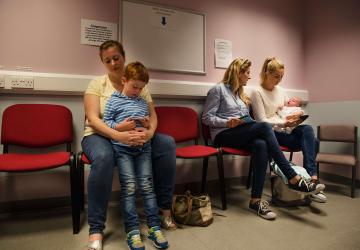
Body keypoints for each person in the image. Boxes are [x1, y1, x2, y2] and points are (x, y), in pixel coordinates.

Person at [202, 58, 324, 220]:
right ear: (237, 72)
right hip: (223, 135)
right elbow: (206, 118)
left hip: (240, 132)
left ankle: (255, 200)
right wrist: (227, 122)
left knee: (261, 145)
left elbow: (246, 120)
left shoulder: (240, 95)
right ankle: (292, 176)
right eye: (246, 73)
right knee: (265, 127)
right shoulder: (218, 90)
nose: (249, 76)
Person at [82, 40, 176, 250]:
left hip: (135, 136)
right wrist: (119, 135)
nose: (113, 63)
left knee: (167, 143)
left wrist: (149, 133)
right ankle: (96, 229)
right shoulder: (97, 84)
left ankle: (164, 210)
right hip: (99, 135)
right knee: (105, 157)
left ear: (124, 56)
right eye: (108, 60)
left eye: (116, 58)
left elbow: (152, 116)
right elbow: (93, 119)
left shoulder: (138, 83)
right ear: (103, 63)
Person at [103, 61, 168, 250]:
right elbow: (106, 123)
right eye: (134, 86)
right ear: (124, 80)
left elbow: (148, 125)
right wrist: (120, 127)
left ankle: (154, 227)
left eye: (141, 88)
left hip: (143, 149)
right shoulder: (113, 100)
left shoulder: (141, 102)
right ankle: (132, 230)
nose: (137, 91)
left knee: (147, 186)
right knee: (129, 187)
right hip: (123, 150)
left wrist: (146, 124)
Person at [251, 57, 327, 203]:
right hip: (271, 134)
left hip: (286, 132)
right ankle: (308, 184)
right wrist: (284, 123)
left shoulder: (281, 90)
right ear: (266, 73)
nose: (279, 80)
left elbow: (286, 110)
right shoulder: (257, 92)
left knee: (308, 130)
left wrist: (296, 115)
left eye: (281, 77)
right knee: (314, 141)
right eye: (276, 76)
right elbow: (261, 120)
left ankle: (312, 179)